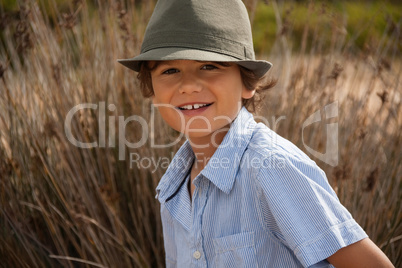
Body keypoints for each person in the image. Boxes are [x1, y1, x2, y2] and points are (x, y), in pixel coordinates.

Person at [118, 0, 394, 267]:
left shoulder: (271, 168)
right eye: (171, 70)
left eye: (209, 66)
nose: (188, 85)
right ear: (152, 92)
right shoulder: (173, 188)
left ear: (247, 83)